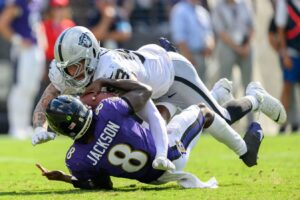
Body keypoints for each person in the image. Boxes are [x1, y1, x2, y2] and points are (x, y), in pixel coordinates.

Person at [31, 26, 285, 163]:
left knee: (221, 119)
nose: (70, 74)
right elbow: (47, 98)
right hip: (149, 78)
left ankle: (255, 97)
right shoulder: (72, 70)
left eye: (74, 67)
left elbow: (144, 96)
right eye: (66, 68)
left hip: (173, 75)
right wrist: (40, 127)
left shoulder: (112, 69)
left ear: (89, 59)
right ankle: (214, 94)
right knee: (149, 130)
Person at [36, 78, 264, 189]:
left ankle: (216, 94)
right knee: (204, 112)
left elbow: (104, 186)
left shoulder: (75, 159)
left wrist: (67, 178)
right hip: (170, 156)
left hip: (149, 178)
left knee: (163, 113)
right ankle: (246, 151)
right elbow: (143, 91)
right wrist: (104, 81)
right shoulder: (107, 111)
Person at [0, 0, 46, 139]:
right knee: (20, 88)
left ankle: (24, 126)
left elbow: (37, 27)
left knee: (31, 89)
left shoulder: (36, 4)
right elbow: (3, 24)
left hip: (35, 50)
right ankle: (16, 127)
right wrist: (18, 40)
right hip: (23, 51)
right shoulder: (17, 3)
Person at [169, 0, 215, 84]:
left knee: (205, 88)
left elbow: (209, 32)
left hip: (204, 57)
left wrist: (210, 45)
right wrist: (189, 60)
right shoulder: (179, 10)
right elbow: (180, 38)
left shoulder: (202, 11)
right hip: (189, 57)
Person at [275, 0, 300, 133]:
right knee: (287, 87)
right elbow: (280, 29)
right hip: (291, 52)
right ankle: (282, 122)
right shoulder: (284, 3)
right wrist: (284, 54)